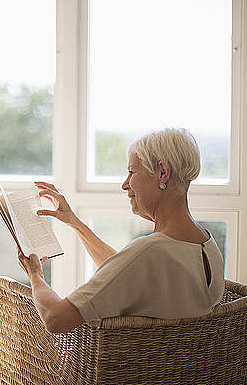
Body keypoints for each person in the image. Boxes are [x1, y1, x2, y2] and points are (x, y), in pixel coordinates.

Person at [17, 128, 225, 333]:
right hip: (181, 365)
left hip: (133, 366)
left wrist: (35, 274)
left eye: (132, 172)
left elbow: (55, 318)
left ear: (162, 173)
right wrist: (73, 221)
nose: (125, 185)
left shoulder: (151, 249)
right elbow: (126, 271)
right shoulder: (207, 244)